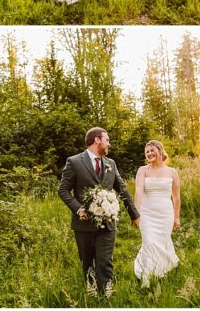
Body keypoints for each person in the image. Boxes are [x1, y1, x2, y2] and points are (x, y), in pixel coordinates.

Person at [58, 127, 140, 297]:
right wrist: (78, 209)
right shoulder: (74, 162)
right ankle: (92, 292)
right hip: (83, 223)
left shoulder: (111, 163)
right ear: (97, 140)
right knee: (87, 261)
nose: (109, 143)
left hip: (108, 223)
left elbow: (122, 190)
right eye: (107, 139)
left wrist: (134, 214)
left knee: (105, 261)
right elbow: (63, 190)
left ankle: (107, 293)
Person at [133, 139, 181, 285]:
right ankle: (147, 279)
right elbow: (139, 191)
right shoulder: (143, 170)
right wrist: (136, 213)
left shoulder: (172, 172)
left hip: (166, 214)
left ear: (160, 151)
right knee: (148, 242)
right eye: (147, 152)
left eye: (152, 150)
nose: (149, 153)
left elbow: (176, 196)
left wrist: (176, 217)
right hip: (146, 214)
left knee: (162, 242)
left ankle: (161, 270)